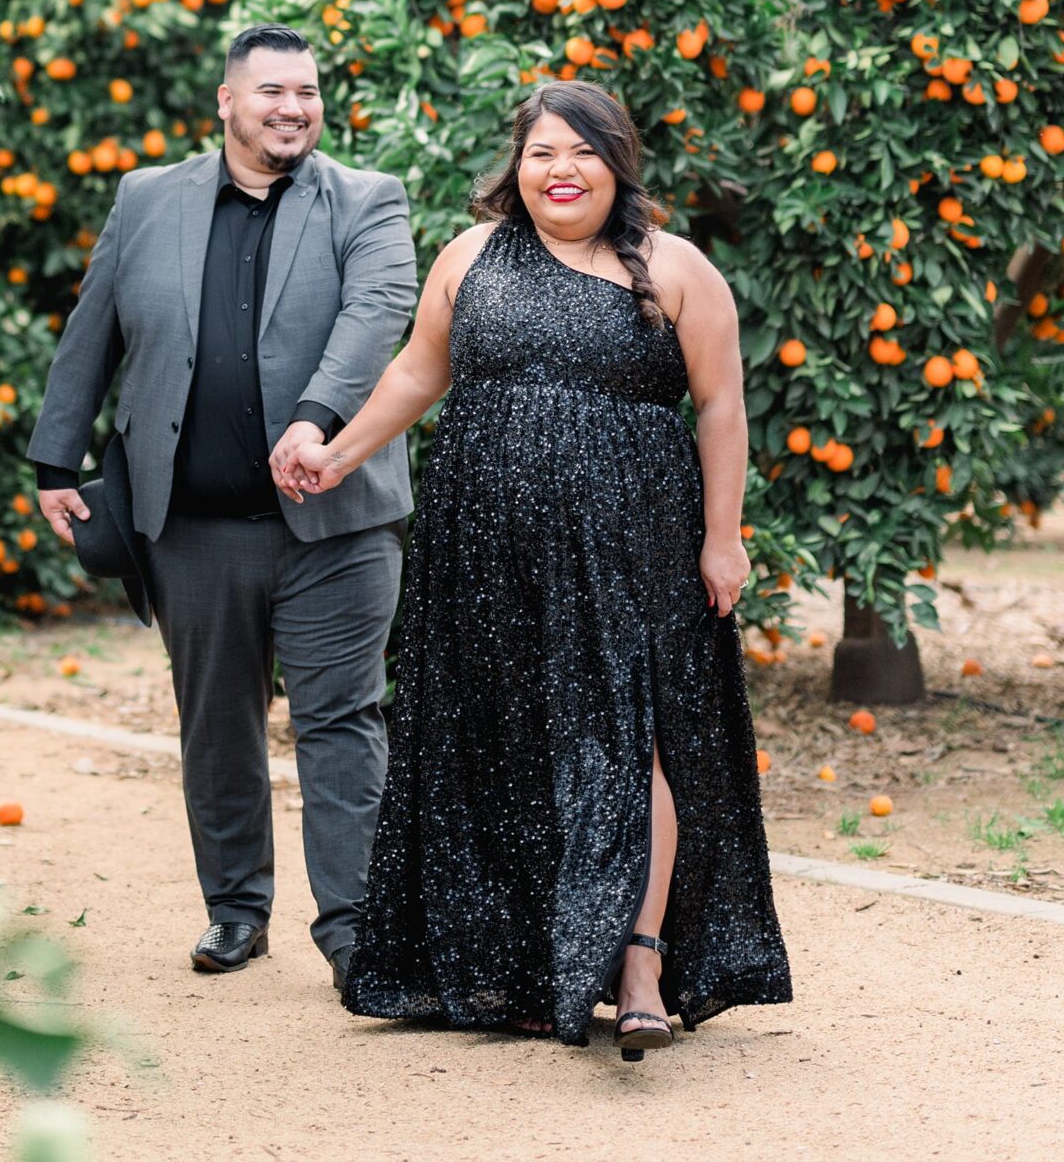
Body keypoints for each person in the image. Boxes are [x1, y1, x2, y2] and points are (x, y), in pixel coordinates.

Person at [273, 80, 791, 1058]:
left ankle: (638, 960)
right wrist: (336, 452)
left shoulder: (677, 269)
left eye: (582, 151)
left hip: (631, 548)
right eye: (542, 151)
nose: (561, 170)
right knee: (500, 742)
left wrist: (723, 537)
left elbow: (720, 407)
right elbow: (419, 372)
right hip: (484, 549)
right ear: (516, 166)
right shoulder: (467, 257)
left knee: (636, 739)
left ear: (617, 163)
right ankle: (516, 966)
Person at [30, 24, 416, 990]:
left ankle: (355, 929)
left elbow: (377, 317)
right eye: (272, 92)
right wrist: (52, 461)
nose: (293, 108)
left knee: (341, 722)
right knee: (216, 725)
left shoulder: (368, 201)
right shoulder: (146, 199)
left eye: (308, 92)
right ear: (226, 102)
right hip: (192, 530)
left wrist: (318, 417)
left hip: (338, 524)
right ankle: (235, 911)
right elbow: (92, 332)